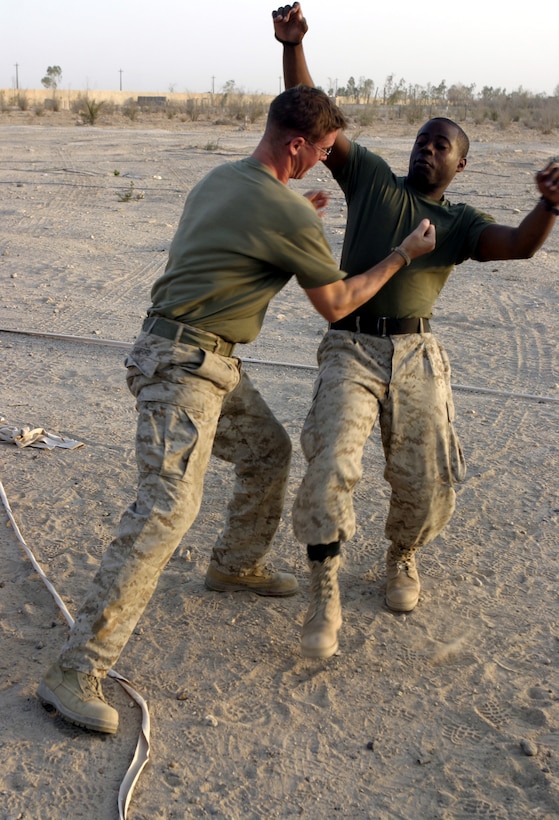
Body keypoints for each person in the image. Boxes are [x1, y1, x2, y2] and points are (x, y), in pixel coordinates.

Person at [37, 85, 436, 733]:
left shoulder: (221, 179)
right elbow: (337, 304)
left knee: (266, 452)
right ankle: (76, 668)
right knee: (167, 508)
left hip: (193, 356)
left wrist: (290, 214)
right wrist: (401, 254)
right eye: (321, 151)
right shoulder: (285, 211)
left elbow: (230, 250)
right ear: (297, 143)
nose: (321, 163)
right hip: (184, 367)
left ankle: (235, 563)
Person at [272, 3, 559, 659]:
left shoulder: (457, 221)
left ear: (460, 164)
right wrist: (293, 45)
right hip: (349, 346)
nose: (426, 149)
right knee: (330, 468)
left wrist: (546, 206)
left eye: (441, 145)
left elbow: (516, 246)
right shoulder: (370, 179)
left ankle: (401, 555)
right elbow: (310, 112)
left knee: (425, 477)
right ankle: (324, 589)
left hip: (416, 353)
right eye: (421, 141)